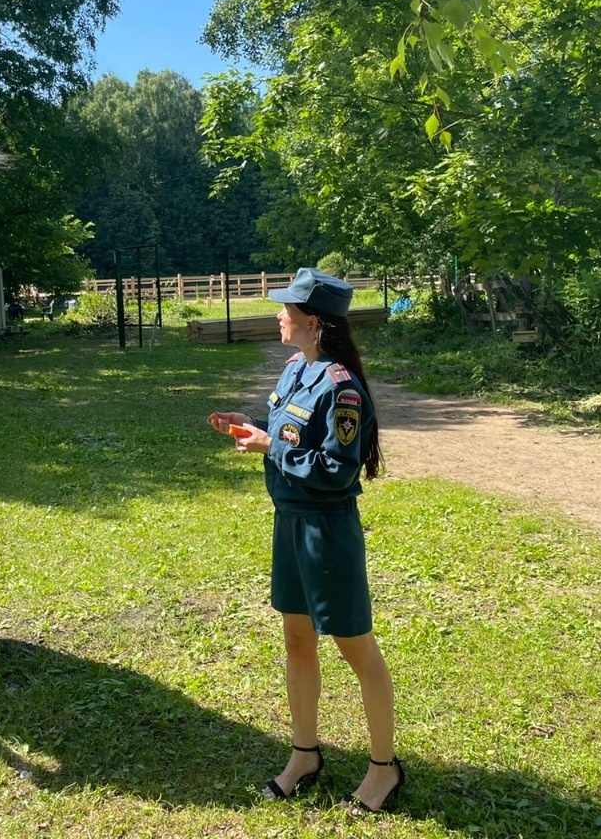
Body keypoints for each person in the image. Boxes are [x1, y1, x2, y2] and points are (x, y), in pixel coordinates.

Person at [207, 267, 403, 816]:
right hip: (289, 524)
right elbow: (285, 435)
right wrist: (250, 426)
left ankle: (385, 769)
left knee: (356, 650)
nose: (277, 315)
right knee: (297, 641)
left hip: (326, 532)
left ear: (313, 322)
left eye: (286, 310)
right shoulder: (295, 369)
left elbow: (339, 472)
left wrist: (271, 446)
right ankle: (304, 755)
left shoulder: (343, 388)